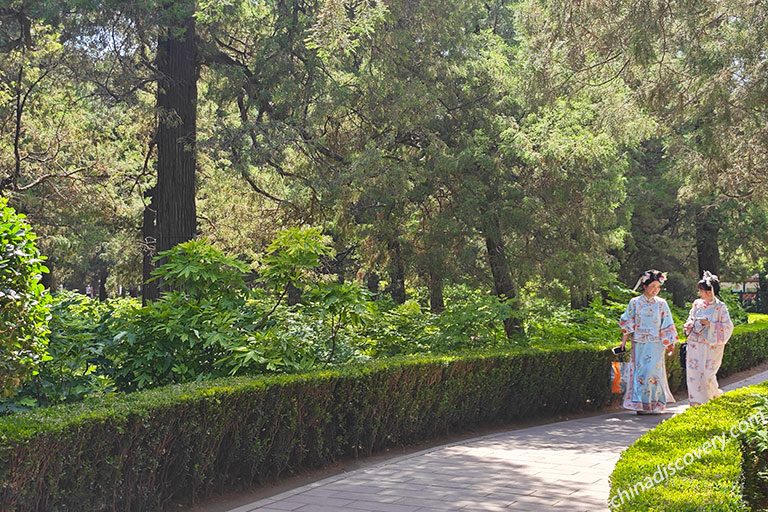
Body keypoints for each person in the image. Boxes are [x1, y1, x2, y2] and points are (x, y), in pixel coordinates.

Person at [619, 269, 679, 414]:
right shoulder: (634, 303)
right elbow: (628, 322)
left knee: (654, 372)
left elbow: (667, 323)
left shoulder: (661, 304)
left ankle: (656, 404)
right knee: (641, 373)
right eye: (652, 286)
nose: (655, 290)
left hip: (656, 344)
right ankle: (641, 405)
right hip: (639, 343)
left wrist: (670, 344)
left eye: (658, 287)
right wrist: (623, 341)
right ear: (644, 286)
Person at [684, 271, 734, 406]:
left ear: (710, 291)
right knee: (694, 374)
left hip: (711, 346)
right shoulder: (697, 304)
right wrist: (689, 325)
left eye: (702, 290)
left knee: (707, 375)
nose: (699, 293)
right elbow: (690, 318)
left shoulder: (720, 307)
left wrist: (710, 325)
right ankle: (696, 403)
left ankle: (713, 397)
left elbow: (728, 326)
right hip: (695, 343)